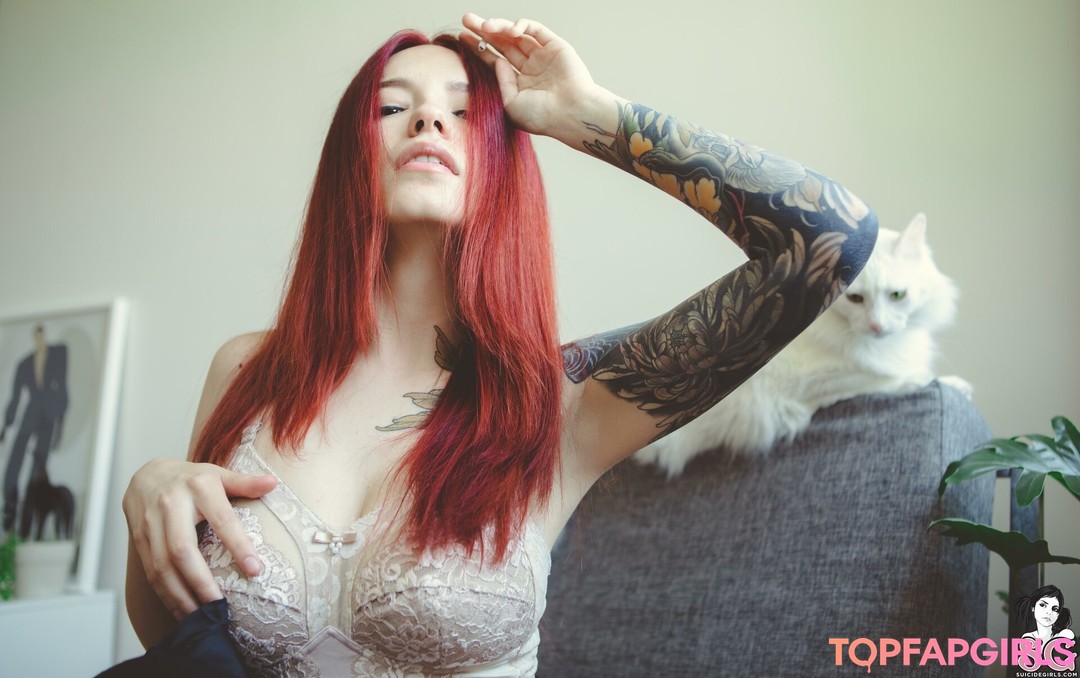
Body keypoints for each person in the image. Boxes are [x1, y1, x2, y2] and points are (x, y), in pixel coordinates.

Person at [121, 13, 878, 675]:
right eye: (392, 106)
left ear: (500, 160)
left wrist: (590, 116)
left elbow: (828, 237)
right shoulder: (248, 370)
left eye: (463, 112)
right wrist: (151, 499)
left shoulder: (563, 401)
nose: (428, 120)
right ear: (348, 155)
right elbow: (175, 639)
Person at [2, 324, 68, 533]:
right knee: (17, 453)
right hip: (31, 412)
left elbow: (62, 386)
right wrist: (5, 426)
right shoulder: (24, 364)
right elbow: (15, 398)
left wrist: (60, 424)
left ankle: (28, 517)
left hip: (48, 414)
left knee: (39, 463)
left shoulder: (58, 354)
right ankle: (9, 502)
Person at [1015, 584, 1075, 672]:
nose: (1048, 612)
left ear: (1058, 614)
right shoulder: (1027, 638)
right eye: (1043, 605)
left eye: (1054, 609)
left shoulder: (1065, 634)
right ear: (1033, 608)